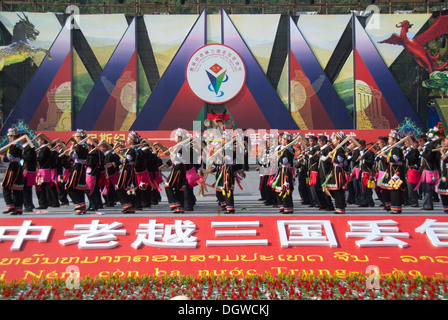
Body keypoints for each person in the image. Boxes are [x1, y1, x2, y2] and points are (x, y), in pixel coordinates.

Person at [162, 128, 189, 214]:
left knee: (168, 186)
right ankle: (180, 207)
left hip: (178, 169)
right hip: (179, 168)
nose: (175, 138)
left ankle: (175, 203)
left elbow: (178, 158)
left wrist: (171, 153)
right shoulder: (179, 146)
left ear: (180, 137)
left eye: (176, 136)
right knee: (179, 188)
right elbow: (172, 160)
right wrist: (164, 166)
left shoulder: (182, 147)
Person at [380, 130, 405, 214]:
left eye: (390, 139)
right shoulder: (392, 149)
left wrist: (384, 155)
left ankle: (397, 208)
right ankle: (392, 206)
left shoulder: (397, 149)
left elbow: (394, 159)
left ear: (394, 140)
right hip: (391, 171)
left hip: (396, 171)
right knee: (392, 190)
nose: (388, 141)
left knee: (396, 189)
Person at [65, 129, 89, 215]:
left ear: (79, 137)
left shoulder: (79, 146)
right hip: (82, 167)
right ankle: (81, 207)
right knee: (79, 187)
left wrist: (71, 151)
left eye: (77, 137)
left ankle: (79, 204)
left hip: (77, 167)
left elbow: (74, 156)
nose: (76, 138)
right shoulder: (85, 146)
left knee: (69, 186)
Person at [1, 128, 24, 215]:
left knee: (6, 186)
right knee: (16, 188)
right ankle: (18, 209)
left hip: (13, 167)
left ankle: (10, 206)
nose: (9, 138)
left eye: (10, 136)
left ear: (13, 136)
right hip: (17, 167)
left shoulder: (15, 146)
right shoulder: (19, 145)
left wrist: (1, 157)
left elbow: (9, 158)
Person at [115, 131, 140, 214]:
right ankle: (130, 206)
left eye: (128, 138)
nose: (127, 139)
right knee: (127, 188)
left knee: (119, 187)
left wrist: (119, 155)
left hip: (127, 169)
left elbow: (126, 160)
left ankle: (127, 205)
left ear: (132, 140)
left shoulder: (132, 150)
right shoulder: (132, 149)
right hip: (129, 169)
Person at [325, 132, 348, 214]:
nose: (333, 140)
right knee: (332, 189)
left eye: (335, 139)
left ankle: (340, 207)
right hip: (335, 170)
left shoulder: (340, 150)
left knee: (338, 190)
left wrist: (331, 157)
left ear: (339, 140)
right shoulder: (337, 149)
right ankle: (339, 205)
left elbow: (339, 161)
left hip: (338, 171)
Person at [273, 132, 295, 214]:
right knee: (278, 189)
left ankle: (288, 207)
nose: (281, 140)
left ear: (286, 141)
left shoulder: (289, 150)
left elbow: (285, 161)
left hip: (285, 171)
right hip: (280, 170)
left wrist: (279, 157)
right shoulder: (281, 148)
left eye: (282, 139)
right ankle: (282, 205)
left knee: (285, 189)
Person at [357, 140, 375, 207]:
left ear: (363, 146)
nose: (359, 147)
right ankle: (364, 202)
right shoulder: (360, 152)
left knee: (367, 188)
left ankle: (370, 202)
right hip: (362, 171)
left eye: (360, 146)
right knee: (362, 188)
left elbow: (371, 162)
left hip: (367, 172)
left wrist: (363, 160)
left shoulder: (369, 152)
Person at [404, 136, 420, 207]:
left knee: (412, 187)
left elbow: (413, 159)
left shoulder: (414, 150)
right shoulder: (408, 150)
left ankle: (414, 201)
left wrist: (406, 156)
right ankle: (409, 200)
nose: (405, 143)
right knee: (408, 187)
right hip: (407, 170)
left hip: (412, 170)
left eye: (406, 142)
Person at [437, 135, 448, 213]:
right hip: (445, 173)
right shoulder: (446, 151)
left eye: (446, 141)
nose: (444, 142)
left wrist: (442, 152)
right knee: (442, 190)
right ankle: (446, 207)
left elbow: (446, 159)